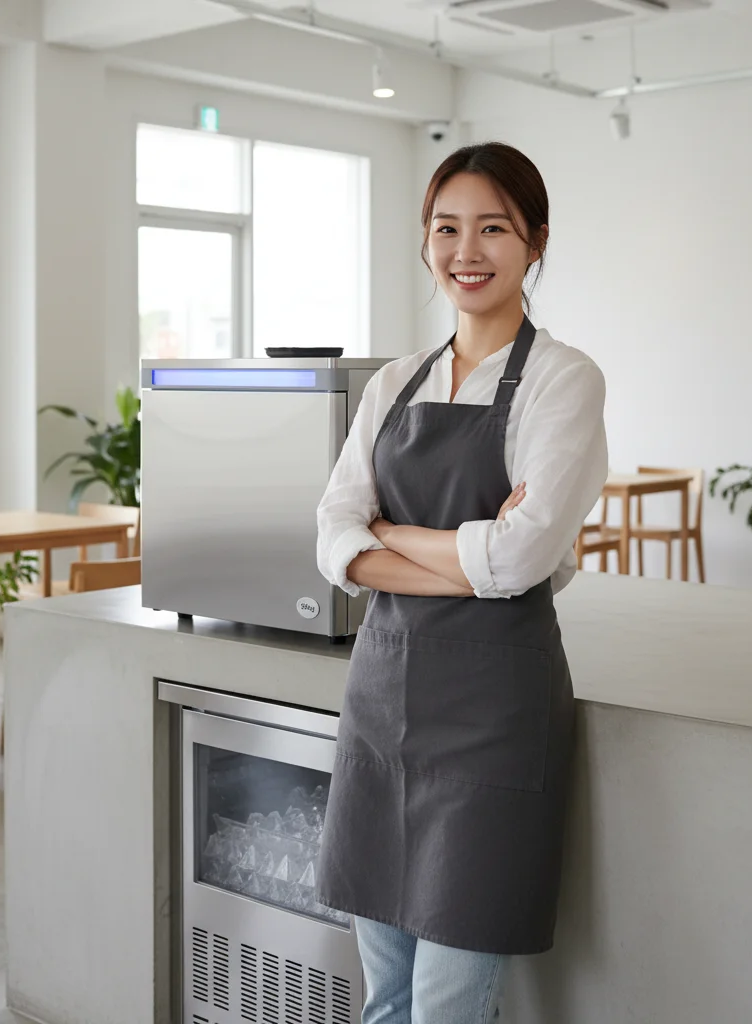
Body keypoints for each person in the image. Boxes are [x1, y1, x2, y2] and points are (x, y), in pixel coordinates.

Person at [313, 141, 609, 1023]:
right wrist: (470, 562)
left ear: (535, 242)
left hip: (493, 724)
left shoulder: (563, 380)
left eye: (493, 229)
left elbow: (522, 559)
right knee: (384, 997)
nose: (466, 251)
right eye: (447, 229)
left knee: (446, 1004)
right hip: (381, 706)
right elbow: (333, 539)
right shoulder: (393, 383)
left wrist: (393, 535)